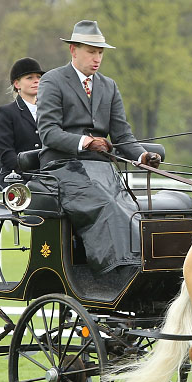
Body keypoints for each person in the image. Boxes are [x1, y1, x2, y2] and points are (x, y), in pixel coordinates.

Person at [35, 20, 162, 273]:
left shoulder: (109, 86)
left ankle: (147, 264)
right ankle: (121, 268)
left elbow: (123, 134)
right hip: (62, 169)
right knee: (108, 205)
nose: (97, 59)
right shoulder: (53, 81)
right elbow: (49, 132)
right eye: (91, 52)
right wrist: (86, 142)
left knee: (132, 208)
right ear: (73, 50)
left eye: (100, 53)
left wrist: (143, 155)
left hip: (102, 171)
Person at [0, 57, 44, 187]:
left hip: (45, 176)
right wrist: (30, 173)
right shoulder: (7, 112)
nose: (36, 81)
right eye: (30, 78)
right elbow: (6, 152)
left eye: (38, 77)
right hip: (15, 177)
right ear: (17, 84)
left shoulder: (49, 111)